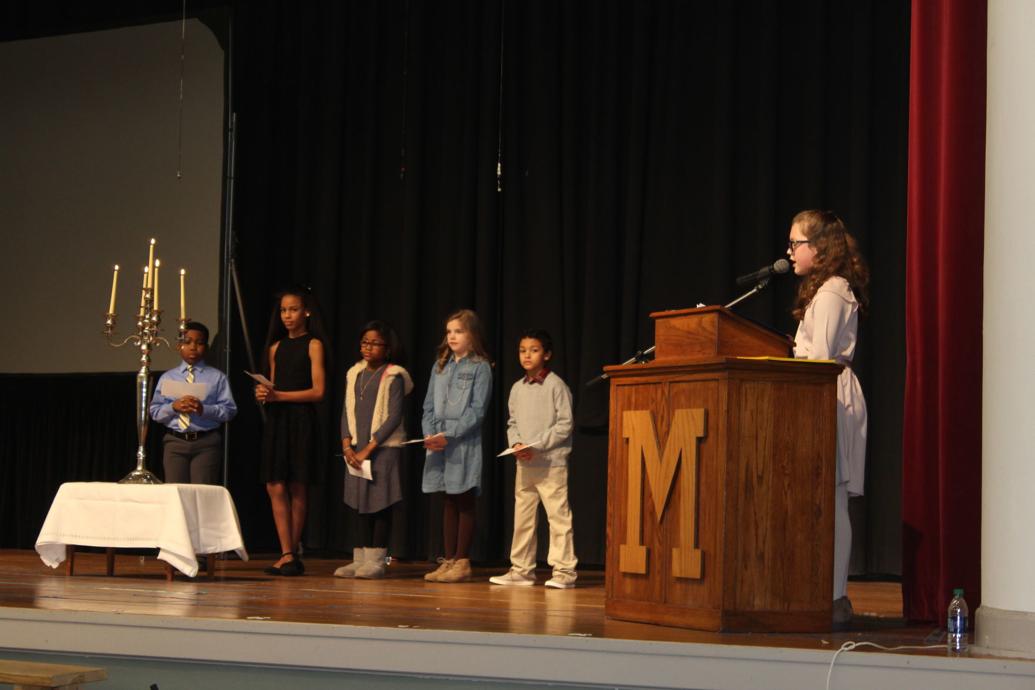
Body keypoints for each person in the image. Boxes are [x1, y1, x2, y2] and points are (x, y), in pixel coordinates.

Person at [786, 209, 869, 626]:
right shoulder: (823, 290)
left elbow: (820, 358)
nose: (790, 251)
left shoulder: (834, 290)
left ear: (818, 248)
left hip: (829, 393)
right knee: (823, 498)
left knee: (834, 499)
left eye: (796, 243)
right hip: (819, 392)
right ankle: (818, 591)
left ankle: (835, 597)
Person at [489, 329, 578, 589]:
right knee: (523, 518)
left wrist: (536, 445)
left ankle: (564, 571)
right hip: (525, 463)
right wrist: (516, 444)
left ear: (547, 354)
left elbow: (565, 424)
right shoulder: (517, 388)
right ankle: (521, 570)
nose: (527, 355)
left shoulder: (556, 385)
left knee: (558, 518)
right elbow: (513, 422)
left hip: (551, 463)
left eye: (534, 350)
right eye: (522, 350)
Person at [254, 288, 328, 577]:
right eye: (284, 310)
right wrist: (264, 393)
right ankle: (287, 552)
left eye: (293, 309)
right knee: (274, 484)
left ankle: (290, 553)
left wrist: (279, 396)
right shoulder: (275, 348)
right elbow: (273, 386)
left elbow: (318, 391)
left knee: (298, 485)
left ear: (306, 311)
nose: (287, 315)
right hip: (278, 420)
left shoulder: (314, 345)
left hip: (301, 420)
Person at [334, 321, 413, 580]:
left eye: (375, 343)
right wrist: (347, 444)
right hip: (356, 449)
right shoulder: (354, 373)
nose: (368, 347)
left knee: (379, 504)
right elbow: (346, 411)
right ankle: (360, 560)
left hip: (382, 449)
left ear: (388, 348)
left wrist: (368, 448)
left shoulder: (393, 376)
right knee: (359, 503)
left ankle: (377, 560)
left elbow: (394, 417)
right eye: (364, 342)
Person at [421, 309, 493, 583]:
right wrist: (429, 434)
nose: (452, 336)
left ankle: (462, 561)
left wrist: (449, 434)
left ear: (472, 335)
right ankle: (449, 559)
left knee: (463, 497)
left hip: (463, 442)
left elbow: (477, 410)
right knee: (447, 499)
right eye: (449, 332)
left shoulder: (480, 367)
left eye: (459, 331)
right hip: (438, 442)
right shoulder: (440, 365)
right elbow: (428, 405)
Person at [149, 321, 237, 484]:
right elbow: (155, 412)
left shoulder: (217, 377)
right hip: (175, 442)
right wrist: (173, 407)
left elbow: (229, 411)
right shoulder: (168, 377)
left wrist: (204, 409)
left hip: (206, 442)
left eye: (199, 343)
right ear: (178, 345)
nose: (193, 347)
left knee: (202, 490)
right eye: (187, 342)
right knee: (175, 491)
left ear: (206, 347)